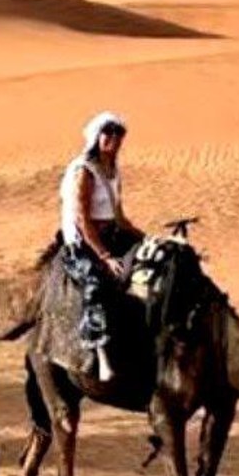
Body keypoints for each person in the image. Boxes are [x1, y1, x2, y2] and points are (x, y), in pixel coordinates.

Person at [59, 110, 143, 381]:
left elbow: (118, 215)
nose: (114, 139)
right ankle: (100, 352)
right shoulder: (84, 170)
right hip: (84, 242)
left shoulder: (113, 170)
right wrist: (105, 256)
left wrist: (145, 237)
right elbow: (82, 219)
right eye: (108, 133)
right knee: (95, 283)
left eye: (119, 134)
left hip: (112, 233)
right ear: (97, 136)